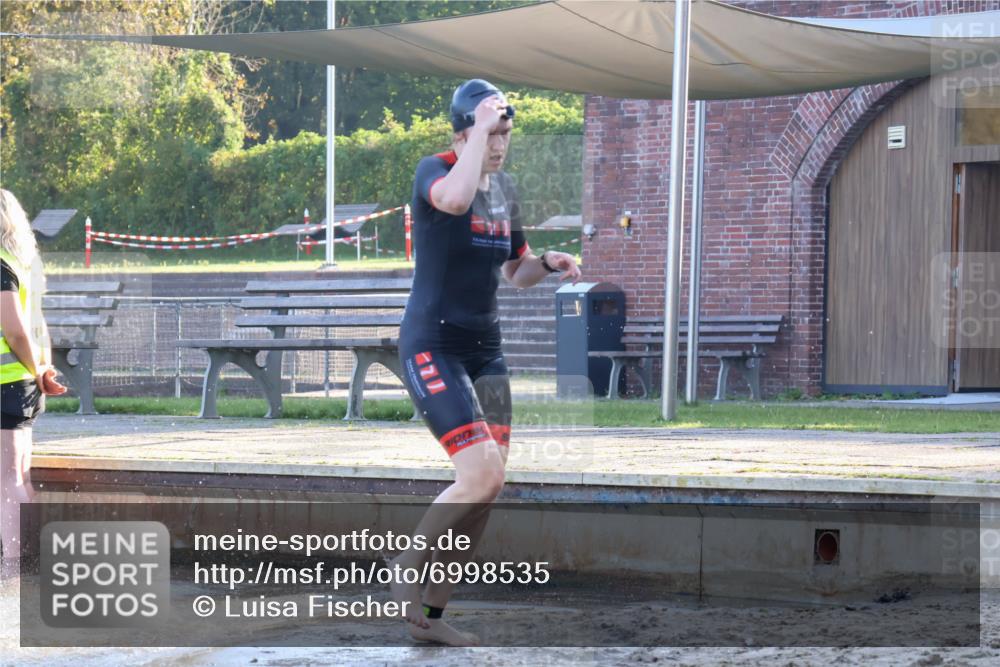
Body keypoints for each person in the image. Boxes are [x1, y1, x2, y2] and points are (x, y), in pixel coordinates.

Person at [388, 79, 581, 646]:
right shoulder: (436, 170)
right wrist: (476, 131)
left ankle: (433, 617)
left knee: (487, 490)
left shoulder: (504, 190)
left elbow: (514, 273)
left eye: (506, 134)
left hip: (485, 351)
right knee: (481, 473)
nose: (499, 145)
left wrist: (545, 261)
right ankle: (406, 563)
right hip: (433, 345)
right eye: (491, 133)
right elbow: (451, 200)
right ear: (465, 131)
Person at [1, 189, 66, 579]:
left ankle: (13, 568)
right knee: (19, 477)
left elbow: (14, 327)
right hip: (23, 383)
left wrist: (35, 367)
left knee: (8, 481)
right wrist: (43, 368)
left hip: (9, 382)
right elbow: (38, 323)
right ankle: (28, 559)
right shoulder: (23, 263)